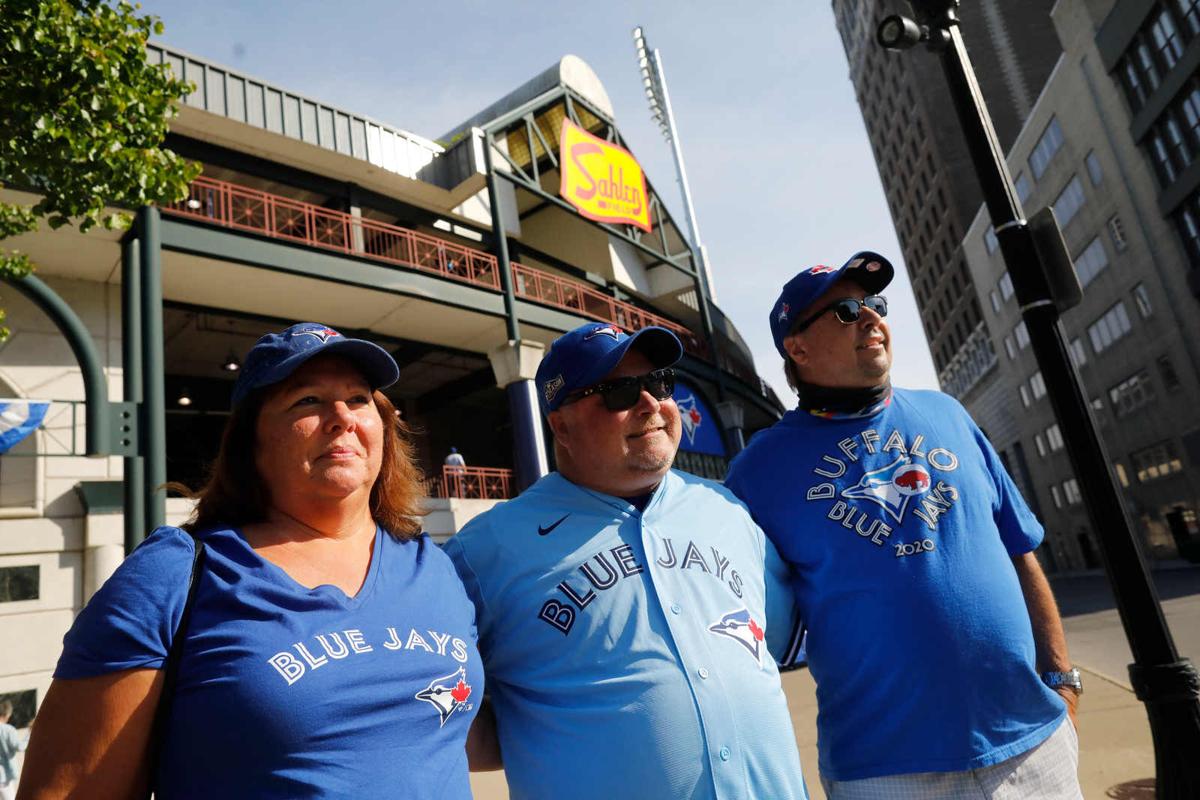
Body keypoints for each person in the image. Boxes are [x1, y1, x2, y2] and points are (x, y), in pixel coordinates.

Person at [18, 322, 496, 799]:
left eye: (357, 398)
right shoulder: (174, 573)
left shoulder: (432, 565)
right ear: (252, 440)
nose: (341, 417)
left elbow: (436, 737)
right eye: (306, 400)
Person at [725, 252, 1083, 799]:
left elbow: (1020, 549)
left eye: (875, 305)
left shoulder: (948, 414)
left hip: (1034, 744)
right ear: (796, 347)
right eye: (847, 311)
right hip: (885, 771)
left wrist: (1061, 679)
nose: (871, 318)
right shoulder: (758, 471)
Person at [443, 321, 809, 800]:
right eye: (618, 391)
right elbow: (424, 694)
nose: (651, 403)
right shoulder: (485, 550)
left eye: (659, 383)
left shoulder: (727, 509)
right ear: (561, 425)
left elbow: (767, 646)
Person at [0, 700, 27, 800]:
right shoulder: (8, 730)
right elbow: (20, 747)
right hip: (4, 776)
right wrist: (29, 734)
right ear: (7, 714)